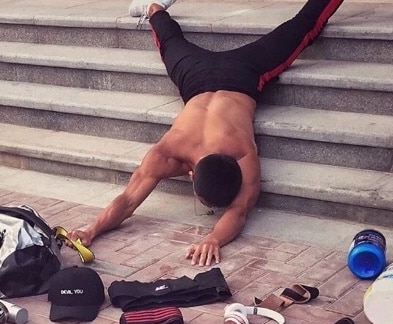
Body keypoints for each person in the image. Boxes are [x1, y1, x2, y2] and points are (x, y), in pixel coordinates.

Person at [69, 0, 345, 266]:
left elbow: (238, 211)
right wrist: (91, 230)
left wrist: (213, 239)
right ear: (191, 175)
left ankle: (155, 8)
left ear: (191, 175)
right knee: (173, 43)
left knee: (301, 28)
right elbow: (129, 202)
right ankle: (153, 9)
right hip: (212, 75)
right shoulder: (199, 151)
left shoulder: (238, 152)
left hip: (221, 75)